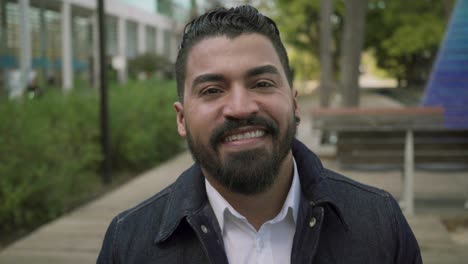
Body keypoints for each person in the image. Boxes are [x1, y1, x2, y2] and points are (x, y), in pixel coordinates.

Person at [97, 5, 422, 264]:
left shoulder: (381, 223)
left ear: (294, 103)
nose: (240, 107)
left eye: (262, 84)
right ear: (181, 119)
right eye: (212, 90)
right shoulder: (127, 244)